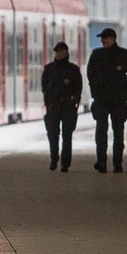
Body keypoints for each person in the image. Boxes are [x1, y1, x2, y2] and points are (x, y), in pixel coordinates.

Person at [86, 27, 127, 173]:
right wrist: (95, 91)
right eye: (102, 38)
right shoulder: (96, 54)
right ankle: (101, 162)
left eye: (106, 38)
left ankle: (117, 163)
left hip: (118, 99)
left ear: (114, 39)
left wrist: (124, 86)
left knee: (118, 132)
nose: (103, 40)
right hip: (101, 99)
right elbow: (90, 74)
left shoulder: (125, 55)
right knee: (101, 131)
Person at [41, 41, 82, 172]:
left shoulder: (73, 70)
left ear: (66, 52)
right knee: (53, 134)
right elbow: (44, 87)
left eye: (61, 51)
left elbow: (78, 87)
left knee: (67, 135)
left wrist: (75, 100)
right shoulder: (48, 69)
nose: (59, 54)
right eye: (57, 52)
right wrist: (47, 101)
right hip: (53, 105)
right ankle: (54, 158)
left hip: (68, 105)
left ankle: (65, 163)